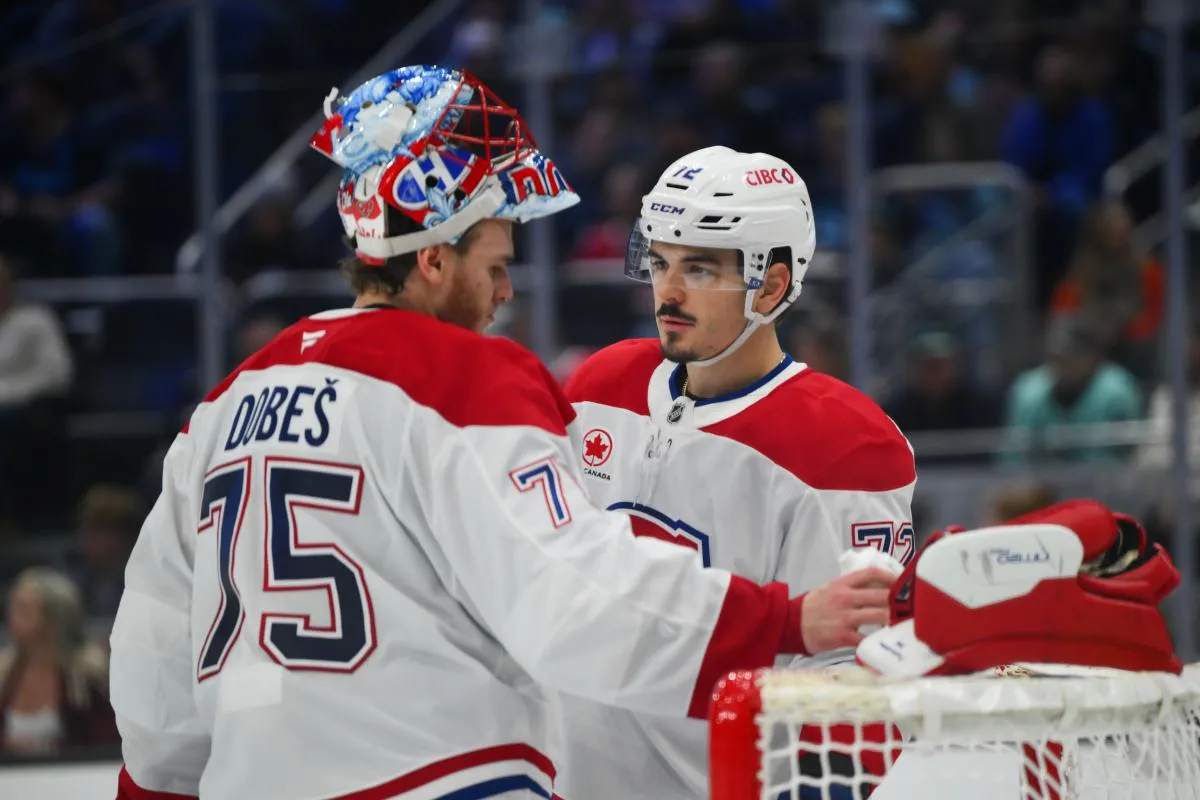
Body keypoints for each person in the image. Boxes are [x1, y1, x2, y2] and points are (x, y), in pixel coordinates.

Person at [108, 67, 896, 800]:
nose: (505, 290)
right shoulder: (466, 380)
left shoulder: (226, 403)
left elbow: (152, 662)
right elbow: (572, 597)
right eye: (494, 261)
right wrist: (785, 621)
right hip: (439, 778)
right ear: (435, 260)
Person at [555, 145, 917, 800]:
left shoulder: (845, 446)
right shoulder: (601, 386)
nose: (667, 290)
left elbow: (847, 689)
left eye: (698, 268)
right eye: (660, 262)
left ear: (772, 285)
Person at [0, 567, 118, 756]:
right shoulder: (4, 674)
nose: (11, 617)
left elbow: (104, 744)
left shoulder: (87, 679)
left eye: (22, 609)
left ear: (51, 619)